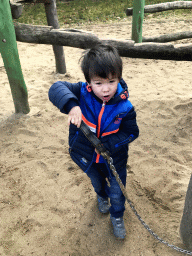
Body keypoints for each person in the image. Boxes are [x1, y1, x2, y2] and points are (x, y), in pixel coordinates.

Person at [48, 44, 139, 239]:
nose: (106, 89)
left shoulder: (125, 107)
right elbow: (56, 87)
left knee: (117, 191)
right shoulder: (82, 93)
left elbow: (132, 132)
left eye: (112, 81)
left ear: (119, 78)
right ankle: (100, 195)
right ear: (89, 82)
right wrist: (72, 106)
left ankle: (117, 216)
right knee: (97, 182)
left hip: (114, 158)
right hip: (86, 154)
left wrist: (111, 142)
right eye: (98, 83)